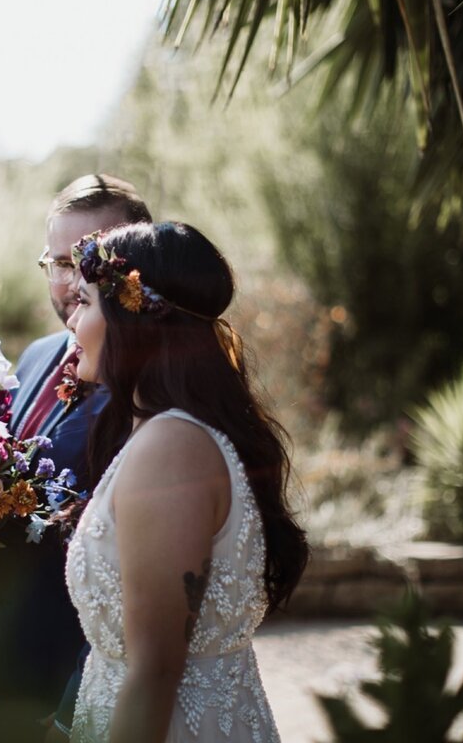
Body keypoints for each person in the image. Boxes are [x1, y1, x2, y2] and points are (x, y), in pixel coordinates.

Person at [63, 222, 309, 742]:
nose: (72, 319)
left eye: (83, 302)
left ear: (129, 316)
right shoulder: (166, 435)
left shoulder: (171, 451)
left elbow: (154, 675)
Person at [0, 174, 152, 743]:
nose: (70, 282)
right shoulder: (37, 355)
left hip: (83, 674)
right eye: (57, 263)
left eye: (88, 260)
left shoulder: (149, 391)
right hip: (10, 659)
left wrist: (72, 708)